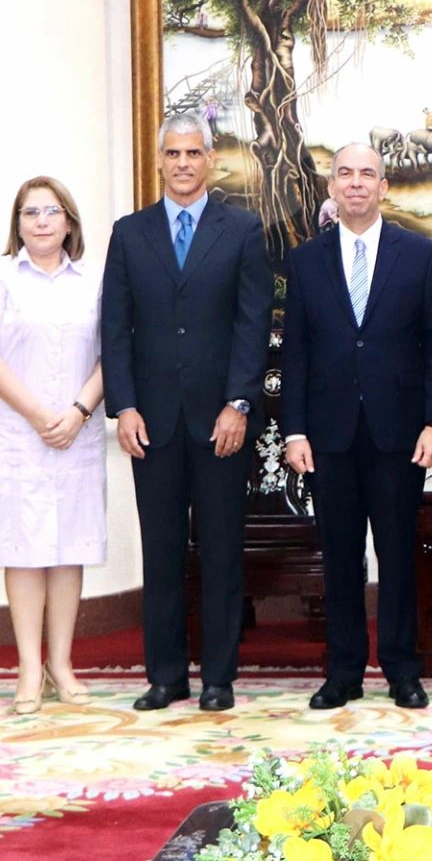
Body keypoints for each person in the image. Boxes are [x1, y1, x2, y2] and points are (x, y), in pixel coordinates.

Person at [102, 114, 269, 713]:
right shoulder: (129, 233)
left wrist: (239, 402)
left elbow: (253, 325)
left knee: (222, 552)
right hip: (152, 423)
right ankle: (166, 676)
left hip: (221, 421)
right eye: (172, 153)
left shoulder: (243, 230)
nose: (182, 163)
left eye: (193, 153)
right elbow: (114, 331)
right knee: (163, 551)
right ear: (160, 161)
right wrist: (123, 406)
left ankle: (219, 678)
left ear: (211, 159)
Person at [281, 143, 432, 711]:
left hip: (399, 434)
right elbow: (297, 354)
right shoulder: (306, 260)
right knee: (340, 556)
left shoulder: (420, 254)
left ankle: (402, 669)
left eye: (367, 175)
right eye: (345, 174)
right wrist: (294, 430)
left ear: (384, 188)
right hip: (328, 437)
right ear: (331, 186)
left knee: (399, 553)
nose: (356, 184)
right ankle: (344, 671)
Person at [0, 177, 106, 714]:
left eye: (52, 211)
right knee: (23, 549)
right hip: (15, 433)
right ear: (17, 223)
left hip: (78, 428)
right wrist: (39, 413)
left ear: (69, 221)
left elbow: (113, 351)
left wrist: (77, 411)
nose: (41, 221)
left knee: (69, 548)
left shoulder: (93, 279)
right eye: (30, 212)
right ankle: (28, 667)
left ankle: (62, 664)